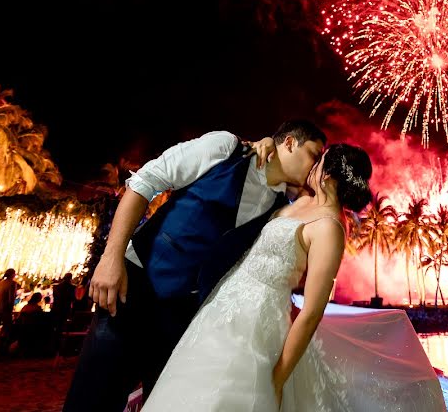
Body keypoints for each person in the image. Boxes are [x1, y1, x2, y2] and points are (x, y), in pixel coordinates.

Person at [143, 143, 447, 411]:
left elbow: (313, 311)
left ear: (327, 175)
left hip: (259, 321)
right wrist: (262, 143)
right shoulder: (301, 201)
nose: (312, 167)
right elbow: (273, 173)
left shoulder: (329, 228)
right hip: (224, 304)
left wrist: (278, 379)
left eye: (319, 161)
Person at [62, 120, 327, 412]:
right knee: (91, 399)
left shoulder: (279, 203)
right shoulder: (225, 148)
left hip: (184, 320)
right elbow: (145, 182)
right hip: (133, 290)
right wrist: (111, 257)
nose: (315, 167)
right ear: (289, 143)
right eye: (314, 155)